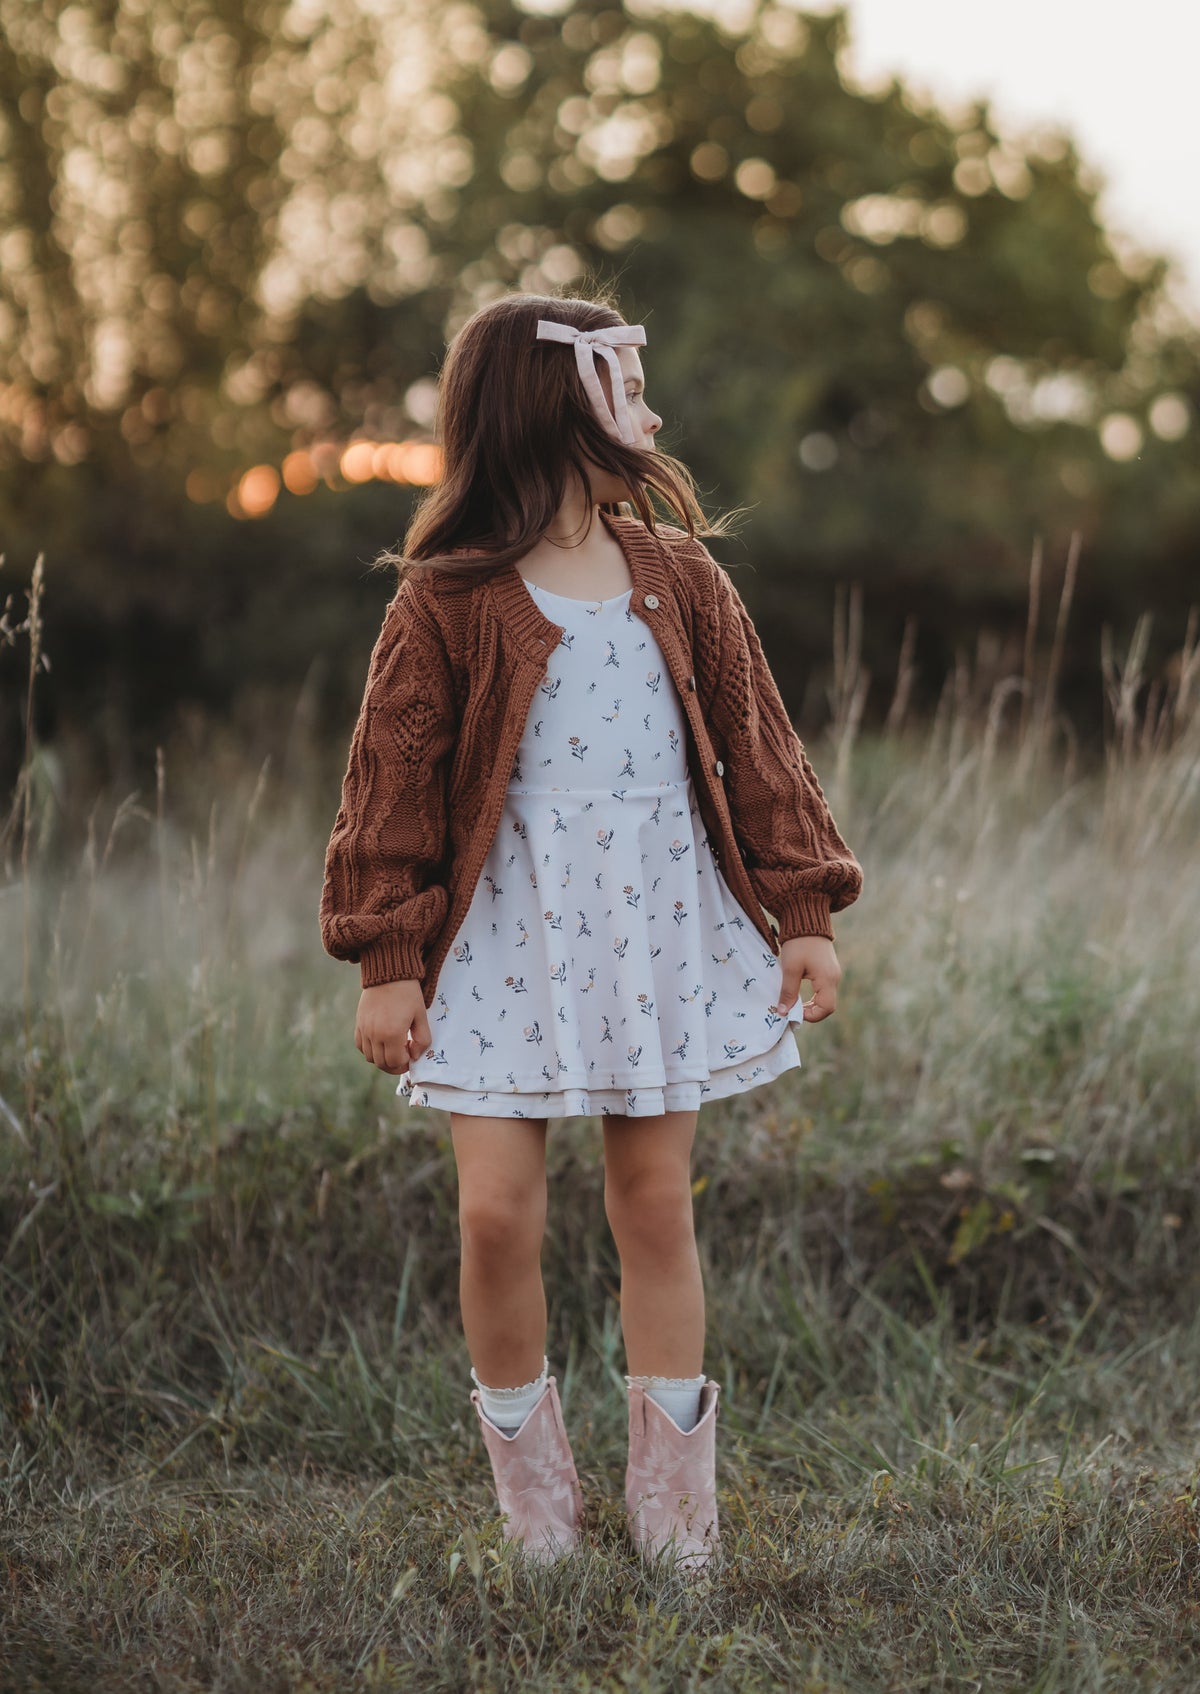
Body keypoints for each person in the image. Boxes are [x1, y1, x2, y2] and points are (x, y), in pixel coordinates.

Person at [319, 290, 863, 1574]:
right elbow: (388, 784)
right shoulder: (448, 598)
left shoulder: (684, 580)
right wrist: (385, 958)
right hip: (505, 938)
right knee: (497, 1216)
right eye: (625, 385)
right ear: (551, 405)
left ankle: (676, 1519)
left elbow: (761, 755)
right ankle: (540, 1519)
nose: (652, 411)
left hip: (654, 926)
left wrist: (806, 912)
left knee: (654, 1204)